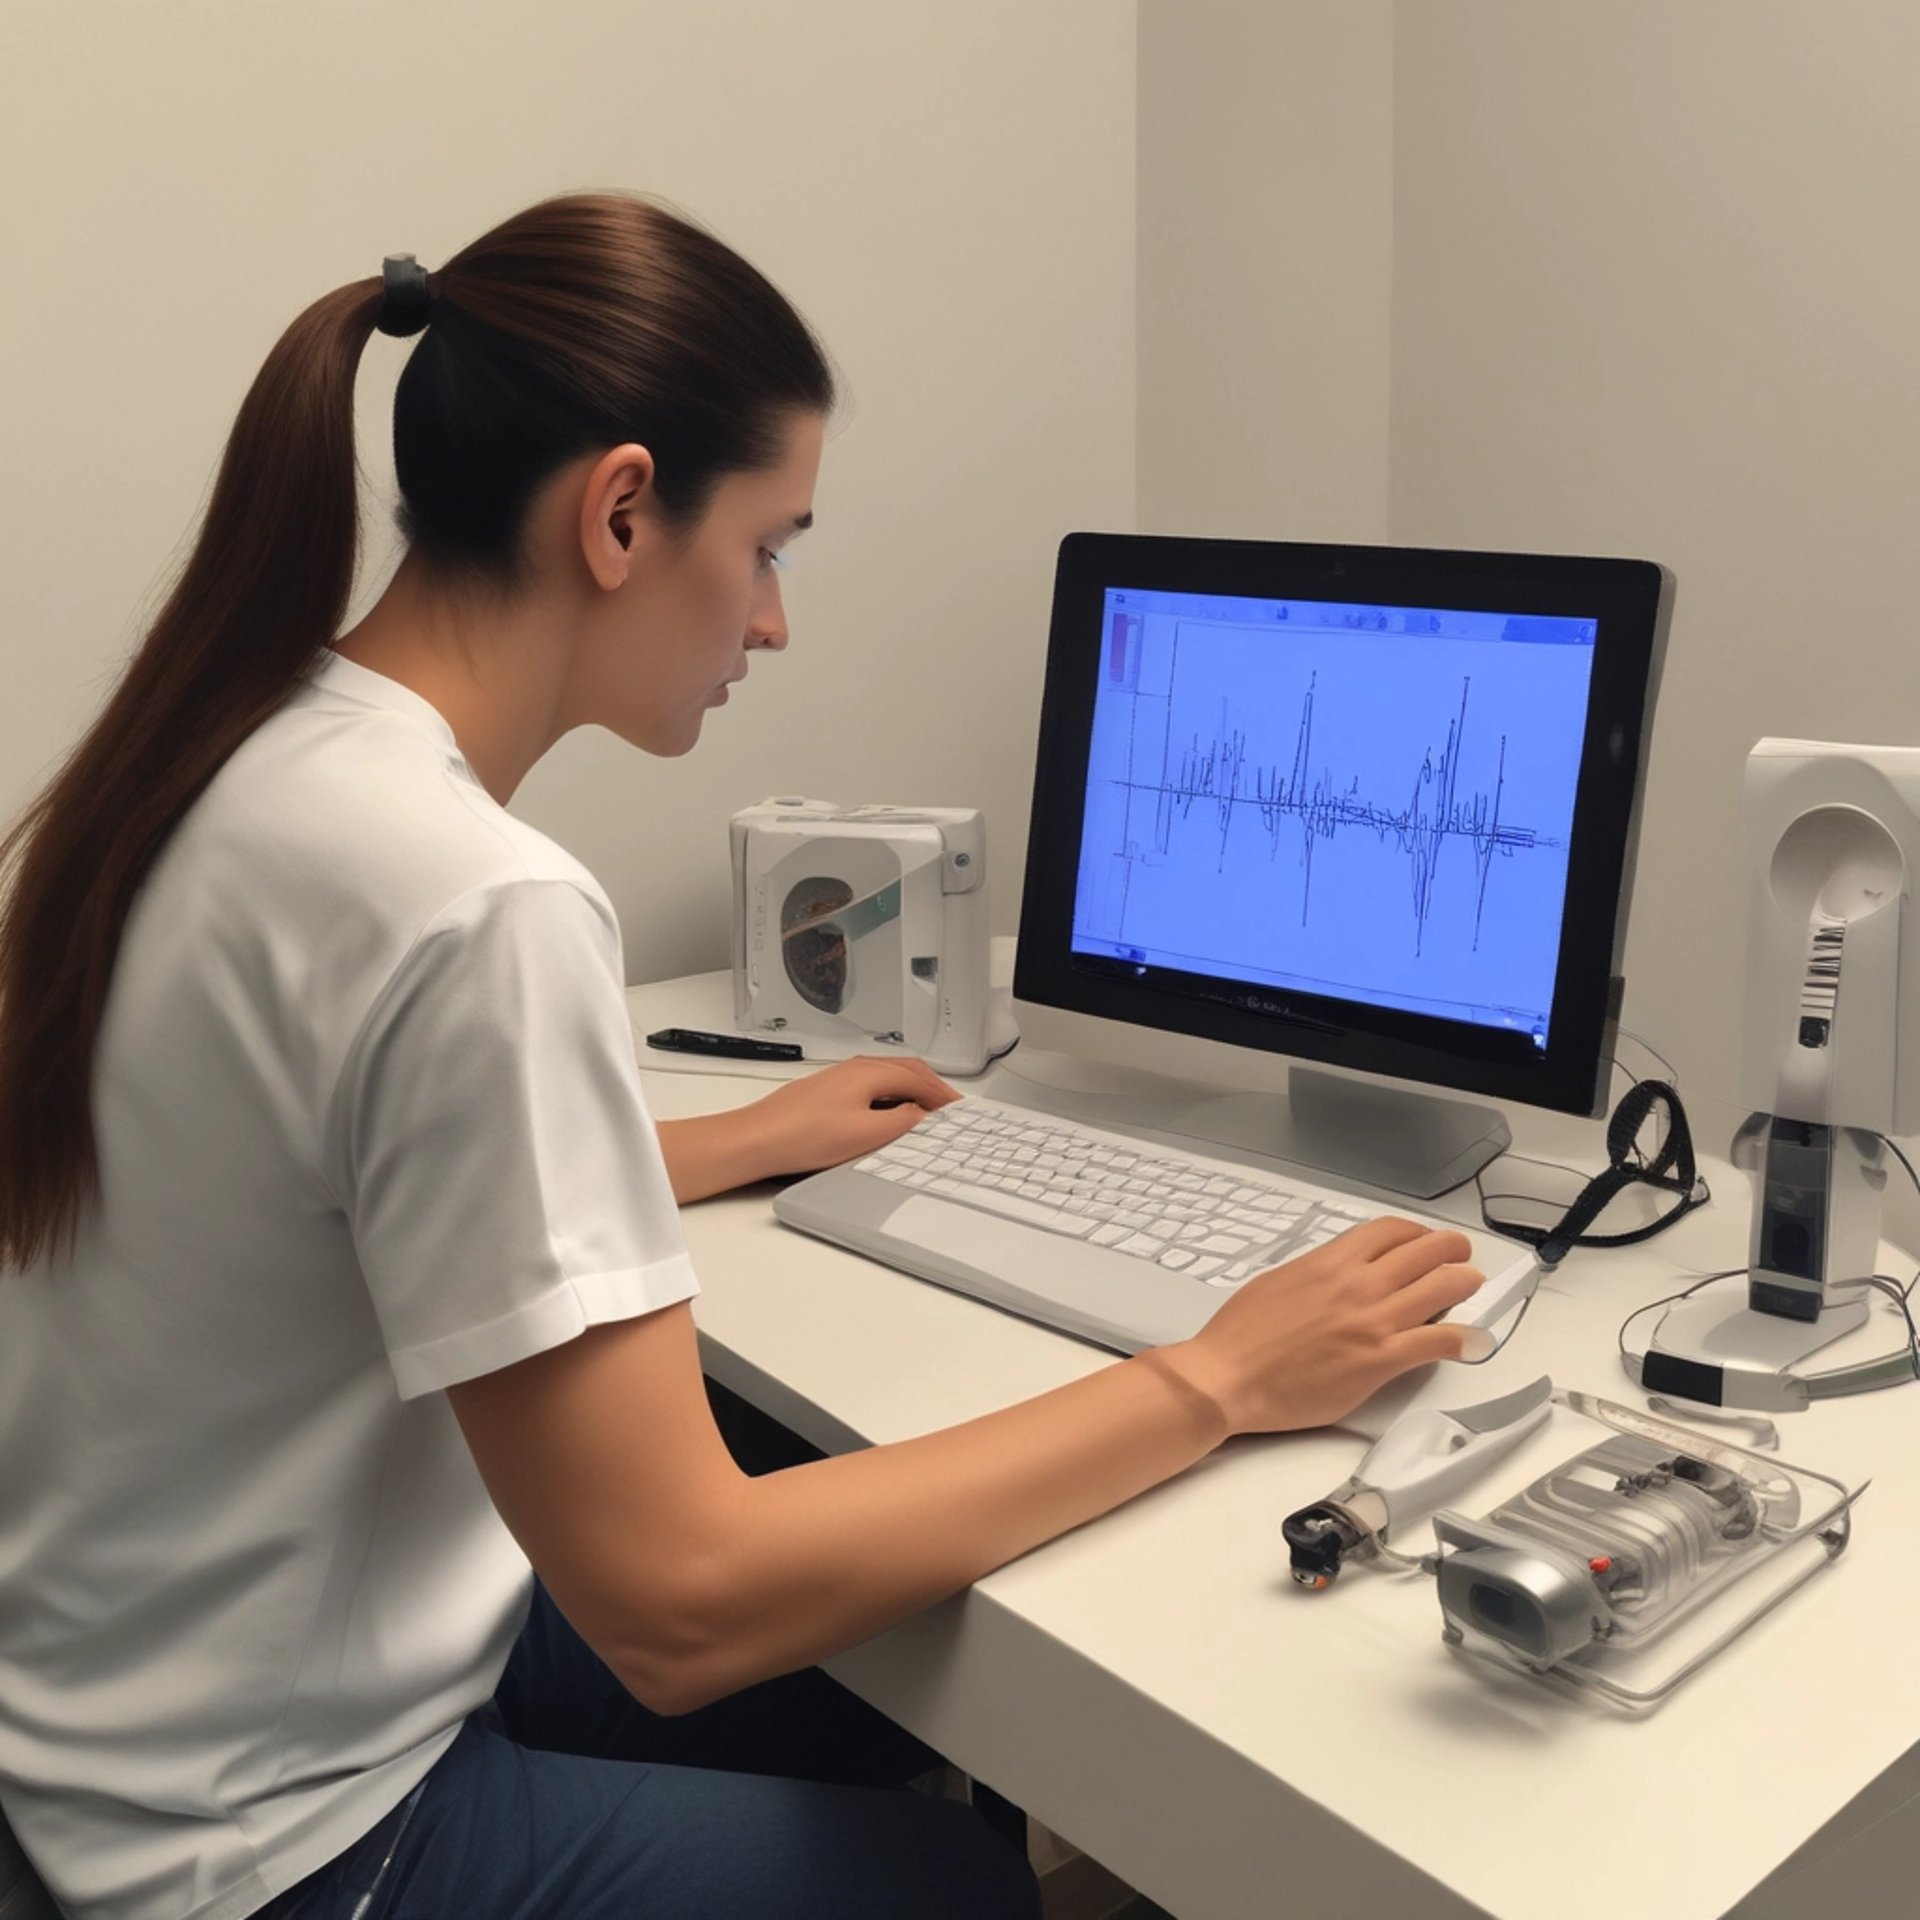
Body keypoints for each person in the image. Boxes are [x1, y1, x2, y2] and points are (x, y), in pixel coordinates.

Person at [0, 191, 1482, 1920]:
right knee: (954, 1879)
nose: (773, 623)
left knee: (871, 1590)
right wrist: (1218, 1381)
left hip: (120, 1705)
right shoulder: (476, 899)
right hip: (264, 1835)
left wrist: (722, 1145)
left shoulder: (247, 745)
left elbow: (317, 1167)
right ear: (622, 512)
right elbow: (678, 1608)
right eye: (770, 546)